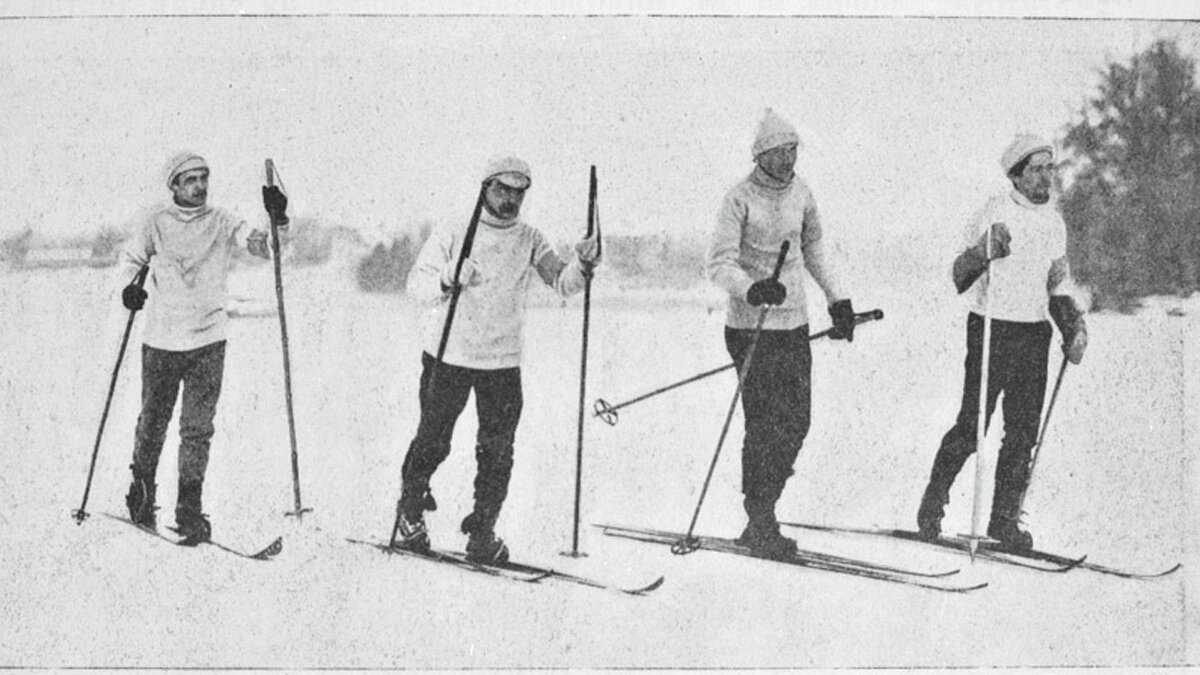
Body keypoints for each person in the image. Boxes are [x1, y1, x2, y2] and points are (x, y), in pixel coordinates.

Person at [393, 155, 601, 564]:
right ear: (485, 187)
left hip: (502, 364)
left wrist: (584, 263)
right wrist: (448, 276)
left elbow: (561, 281)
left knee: (498, 453)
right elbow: (415, 285)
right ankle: (410, 513)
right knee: (433, 442)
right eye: (502, 190)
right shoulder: (455, 230)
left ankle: (482, 532)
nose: (510, 200)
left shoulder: (529, 238)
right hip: (448, 356)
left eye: (518, 192)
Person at [915, 133, 1088, 551]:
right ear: (1017, 174)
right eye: (1037, 169)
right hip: (991, 326)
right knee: (972, 426)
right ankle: (932, 506)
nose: (1046, 177)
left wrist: (1073, 328)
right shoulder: (993, 210)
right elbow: (959, 276)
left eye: (1050, 168)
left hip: (1032, 332)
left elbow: (1058, 284)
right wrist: (983, 251)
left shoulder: (1054, 222)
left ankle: (1003, 521)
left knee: (1022, 433)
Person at [707, 109, 858, 558]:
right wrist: (752, 288)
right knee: (763, 424)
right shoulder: (739, 199)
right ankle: (760, 518)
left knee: (797, 422)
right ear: (761, 155)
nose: (790, 159)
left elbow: (814, 249)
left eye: (794, 150)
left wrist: (838, 299)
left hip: (793, 325)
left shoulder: (803, 194)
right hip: (750, 328)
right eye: (781, 152)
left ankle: (766, 504)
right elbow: (719, 263)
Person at [120, 151, 290, 544]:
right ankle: (141, 491)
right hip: (162, 339)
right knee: (152, 422)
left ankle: (189, 509)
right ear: (174, 186)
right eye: (190, 179)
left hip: (208, 340)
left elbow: (262, 247)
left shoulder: (222, 220)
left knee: (197, 430)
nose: (199, 186)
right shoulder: (155, 223)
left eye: (203, 178)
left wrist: (277, 218)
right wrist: (131, 288)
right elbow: (131, 260)